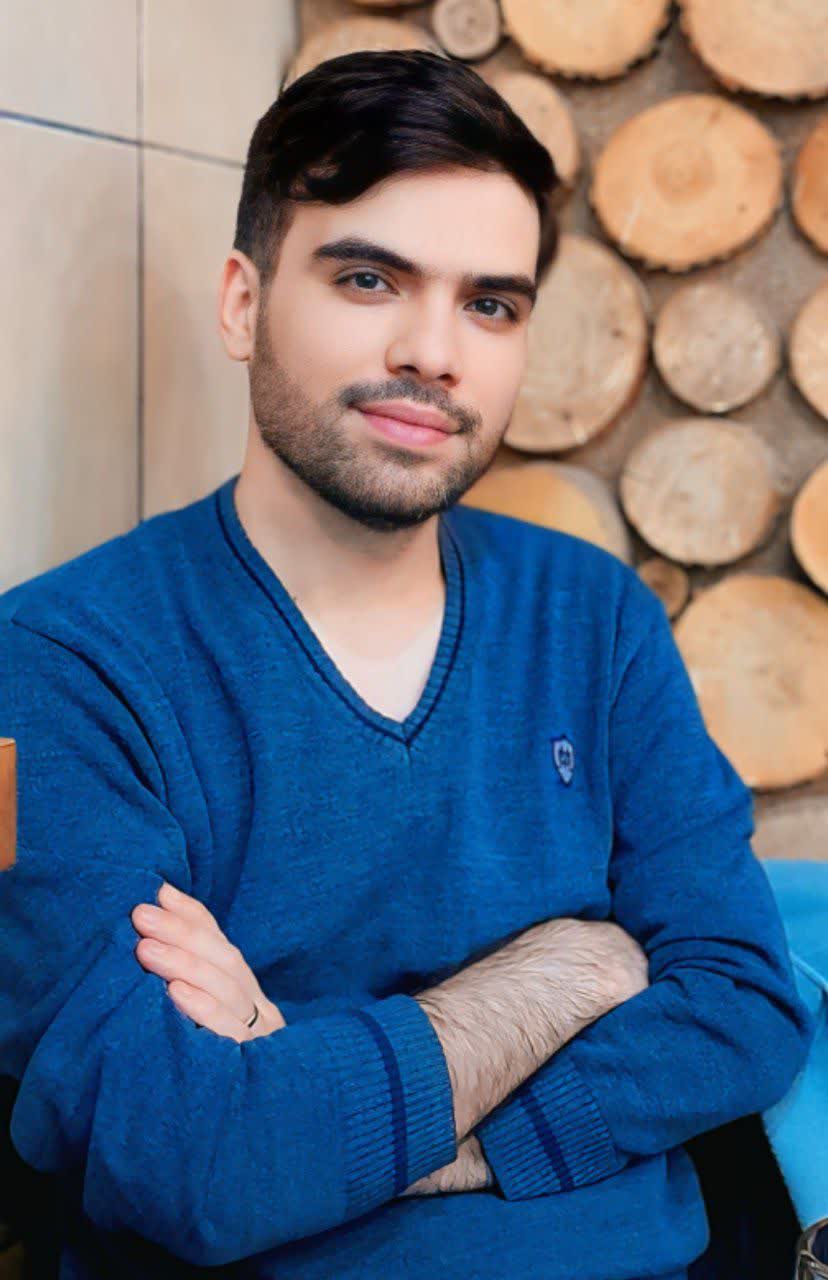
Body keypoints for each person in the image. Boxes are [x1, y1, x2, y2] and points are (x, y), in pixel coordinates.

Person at [0, 48, 814, 1280]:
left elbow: (743, 1005)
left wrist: (319, 1086)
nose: (435, 352)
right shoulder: (65, 664)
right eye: (369, 277)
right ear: (242, 303)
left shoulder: (592, 616)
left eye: (491, 304)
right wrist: (567, 968)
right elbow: (192, 1157)